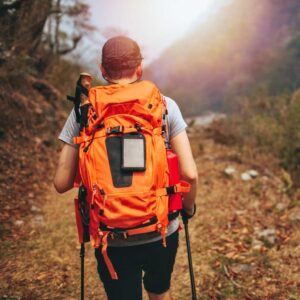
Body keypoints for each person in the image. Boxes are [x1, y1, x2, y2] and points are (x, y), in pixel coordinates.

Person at [54, 36, 198, 300]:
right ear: (139, 69)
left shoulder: (84, 112)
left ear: (103, 70)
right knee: (159, 291)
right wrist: (188, 208)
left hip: (112, 235)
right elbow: (190, 174)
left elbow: (61, 183)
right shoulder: (165, 106)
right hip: (161, 229)